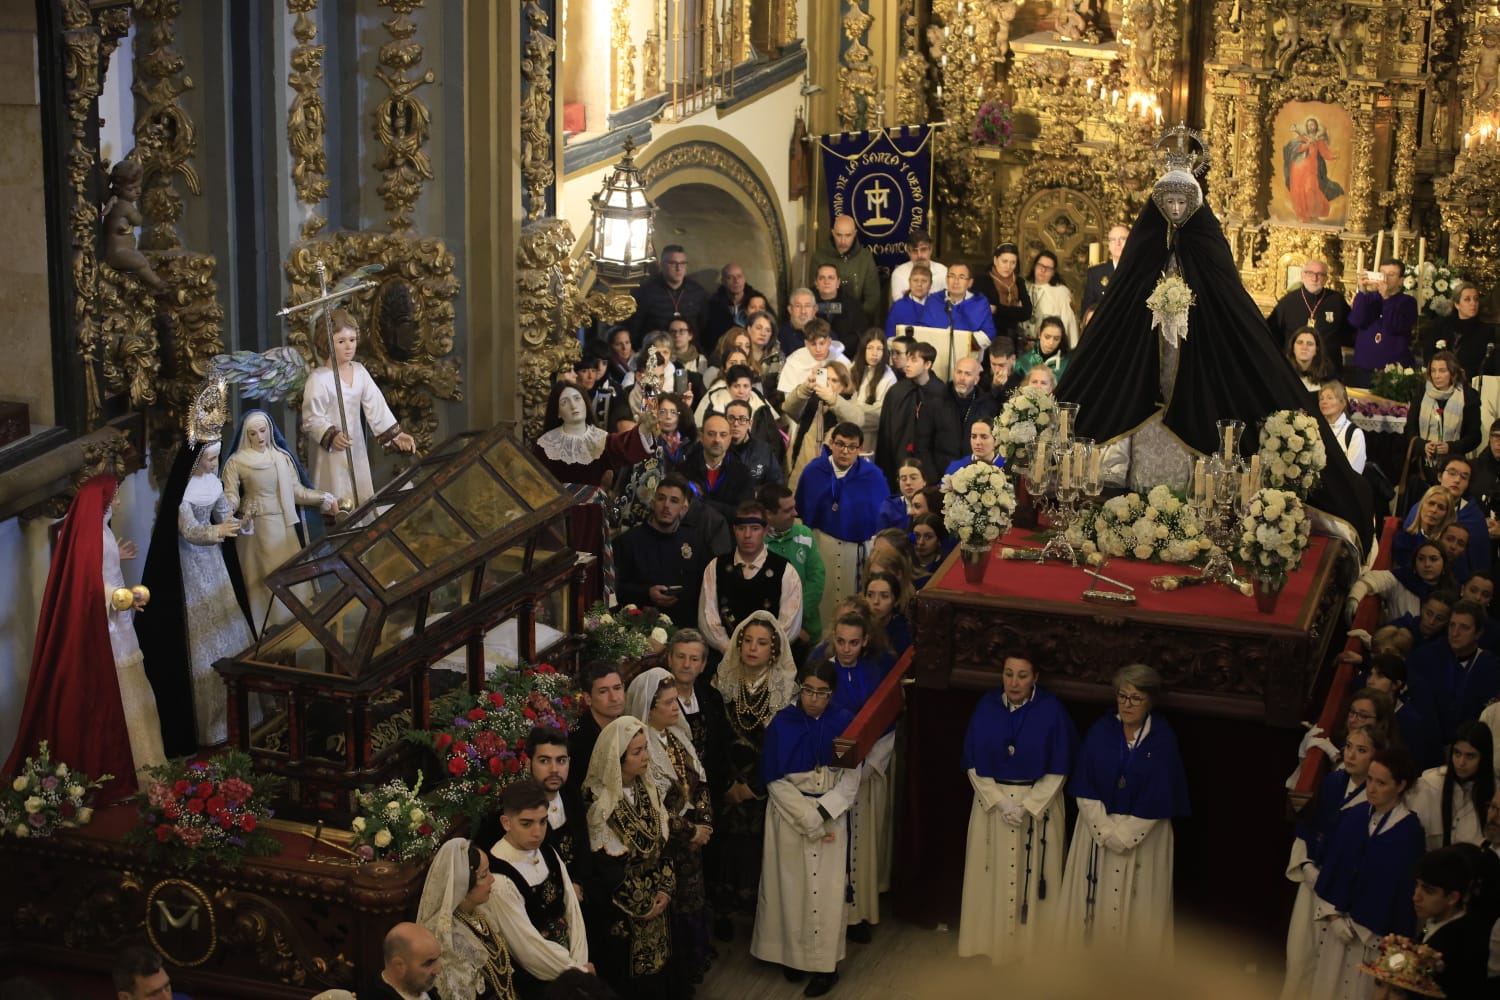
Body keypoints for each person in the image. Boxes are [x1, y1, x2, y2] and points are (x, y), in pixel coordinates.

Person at [1055, 159, 1374, 551]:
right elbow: (1117, 319)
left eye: (1182, 201)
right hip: (1146, 378)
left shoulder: (1207, 251)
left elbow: (1230, 313)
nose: (1174, 210)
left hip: (1199, 370)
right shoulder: (1142, 257)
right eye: (1167, 202)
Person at [5, 475, 166, 798]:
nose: (119, 501)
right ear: (104, 502)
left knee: (135, 691)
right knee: (125, 692)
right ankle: (136, 768)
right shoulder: (94, 534)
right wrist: (126, 596)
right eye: (115, 496)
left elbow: (97, 569)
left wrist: (115, 559)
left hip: (118, 623)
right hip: (110, 628)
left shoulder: (99, 531)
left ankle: (146, 764)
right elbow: (92, 585)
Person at [1057, 663, 1190, 956]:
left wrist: (1125, 836)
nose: (1127, 704)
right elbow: (1085, 786)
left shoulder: (1163, 740)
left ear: (1150, 701)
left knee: (1140, 912)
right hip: (1097, 834)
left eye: (1136, 698)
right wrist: (1105, 831)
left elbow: (1161, 793)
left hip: (1144, 838)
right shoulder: (1100, 732)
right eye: (1122, 696)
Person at [750, 659, 861, 998]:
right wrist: (807, 817)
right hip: (789, 815)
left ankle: (826, 966)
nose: (814, 698)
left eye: (822, 693)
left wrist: (823, 812)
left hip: (830, 814)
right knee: (790, 888)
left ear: (832, 694)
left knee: (827, 894)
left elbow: (851, 778)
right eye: (809, 690)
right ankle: (793, 958)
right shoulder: (782, 723)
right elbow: (774, 779)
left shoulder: (844, 723)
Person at [959, 652, 1077, 965]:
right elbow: (972, 762)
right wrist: (1000, 802)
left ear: (1035, 677)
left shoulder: (1052, 711)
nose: (1014, 682)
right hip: (993, 806)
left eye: (1022, 676)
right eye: (1008, 674)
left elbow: (1059, 769)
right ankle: (992, 948)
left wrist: (1026, 807)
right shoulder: (987, 707)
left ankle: (1032, 956)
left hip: (1039, 808)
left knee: (1038, 882)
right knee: (990, 879)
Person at [136, 439, 253, 755]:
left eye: (217, 458)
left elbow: (224, 514)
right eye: (210, 459)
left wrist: (240, 521)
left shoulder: (212, 483)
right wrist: (217, 533)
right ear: (197, 459)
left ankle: (239, 716)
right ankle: (210, 725)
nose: (215, 464)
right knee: (202, 634)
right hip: (190, 567)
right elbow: (189, 531)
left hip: (215, 563)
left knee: (229, 625)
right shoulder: (183, 492)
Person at [1279, 724, 1386, 1000]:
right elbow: (1306, 828)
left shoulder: (1376, 799)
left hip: (1340, 895)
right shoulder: (1334, 781)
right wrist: (1305, 866)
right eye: (1348, 746)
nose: (1350, 755)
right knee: (1299, 955)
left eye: (1361, 750)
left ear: (1376, 756)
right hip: (1312, 881)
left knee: (1328, 970)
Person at [1309, 747, 1426, 999]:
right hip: (1338, 930)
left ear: (1400, 785)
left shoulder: (1409, 833)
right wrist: (1334, 918)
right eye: (1370, 779)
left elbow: (1402, 893)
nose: (1371, 788)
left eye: (1381, 782)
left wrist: (1368, 927)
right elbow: (1332, 871)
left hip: (1374, 938)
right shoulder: (1353, 816)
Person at [709, 612, 799, 936]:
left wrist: (753, 787)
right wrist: (726, 783)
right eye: (747, 641)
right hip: (726, 783)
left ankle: (759, 917)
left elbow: (785, 748)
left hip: (763, 784)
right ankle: (722, 914)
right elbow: (713, 740)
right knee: (724, 847)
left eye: (761, 643)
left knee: (756, 849)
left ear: (773, 650)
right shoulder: (723, 684)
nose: (752, 648)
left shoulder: (785, 691)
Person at [625, 669, 714, 990]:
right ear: (649, 709)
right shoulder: (640, 746)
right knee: (672, 913)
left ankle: (693, 966)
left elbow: (700, 782)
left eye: (676, 700)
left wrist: (704, 823)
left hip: (692, 841)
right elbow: (654, 806)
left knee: (694, 904)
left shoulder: (678, 735)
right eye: (668, 702)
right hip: (666, 846)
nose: (676, 707)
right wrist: (689, 832)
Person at [582, 716, 676, 999]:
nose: (646, 756)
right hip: (622, 914)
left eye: (645, 748)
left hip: (657, 904)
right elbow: (607, 869)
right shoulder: (598, 803)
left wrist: (665, 890)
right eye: (637, 752)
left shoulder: (645, 788)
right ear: (616, 759)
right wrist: (645, 904)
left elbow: (663, 844)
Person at [221, 410, 338, 633]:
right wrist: (228, 506)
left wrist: (323, 497)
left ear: (270, 430)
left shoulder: (280, 458)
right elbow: (232, 494)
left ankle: (291, 631)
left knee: (286, 579)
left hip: (282, 528)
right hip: (254, 531)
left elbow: (297, 492)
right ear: (247, 435)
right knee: (259, 584)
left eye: (263, 431)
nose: (259, 437)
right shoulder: (236, 462)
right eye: (253, 433)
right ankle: (262, 634)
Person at [820, 611, 893, 943]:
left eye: (853, 642)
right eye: (840, 641)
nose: (846, 649)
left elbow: (886, 724)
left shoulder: (874, 673)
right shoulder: (822, 673)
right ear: (833, 638)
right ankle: (832, 914)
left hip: (864, 778)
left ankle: (858, 914)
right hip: (831, 778)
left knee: (859, 847)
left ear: (864, 643)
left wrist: (864, 769)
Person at [487, 780, 594, 998]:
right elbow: (526, 946)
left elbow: (572, 909)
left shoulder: (548, 851)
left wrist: (580, 960)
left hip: (573, 966)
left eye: (543, 822)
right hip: (540, 982)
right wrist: (576, 972)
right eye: (527, 824)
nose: (538, 832)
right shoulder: (500, 877)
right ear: (506, 822)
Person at [300, 308, 416, 507]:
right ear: (328, 342)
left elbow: (376, 405)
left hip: (355, 445)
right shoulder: (319, 379)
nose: (348, 347)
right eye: (341, 341)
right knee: (336, 493)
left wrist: (396, 435)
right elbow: (311, 418)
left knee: (360, 492)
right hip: (331, 451)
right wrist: (331, 435)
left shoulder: (360, 372)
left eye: (352, 340)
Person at [794, 422, 890, 632]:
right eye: (840, 444)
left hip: (856, 552)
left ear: (860, 449)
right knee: (824, 603)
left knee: (853, 606)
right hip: (822, 546)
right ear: (831, 444)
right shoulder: (814, 471)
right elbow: (802, 509)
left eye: (852, 446)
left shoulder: (872, 476)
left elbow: (881, 516)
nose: (845, 451)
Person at [418, 838, 519, 1000]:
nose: (492, 879)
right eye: (484, 875)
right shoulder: (447, 936)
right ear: (462, 887)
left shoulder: (480, 912)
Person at [699, 501, 802, 653]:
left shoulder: (785, 570)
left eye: (754, 529)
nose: (747, 535)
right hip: (725, 657)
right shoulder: (716, 567)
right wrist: (730, 650)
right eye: (741, 528)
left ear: (765, 530)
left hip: (770, 660)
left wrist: (761, 651)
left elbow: (789, 625)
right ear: (734, 530)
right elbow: (708, 617)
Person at [614, 475, 716, 623]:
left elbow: (709, 587)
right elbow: (615, 588)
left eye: (674, 501)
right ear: (653, 503)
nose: (666, 505)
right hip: (640, 629)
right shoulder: (628, 541)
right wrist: (647, 593)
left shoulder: (695, 542)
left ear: (683, 509)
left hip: (685, 628)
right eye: (661, 498)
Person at [874, 343, 963, 492]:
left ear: (927, 364)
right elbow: (886, 434)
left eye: (914, 360)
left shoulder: (942, 394)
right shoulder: (897, 391)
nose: (907, 364)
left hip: (931, 471)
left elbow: (947, 439)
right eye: (907, 359)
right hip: (898, 466)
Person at [1410, 599, 1500, 739]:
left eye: (1464, 627)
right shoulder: (1425, 657)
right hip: (1429, 740)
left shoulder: (1491, 667)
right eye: (1452, 625)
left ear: (1478, 633)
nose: (1455, 633)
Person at [1413, 846, 1492, 999]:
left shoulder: (1464, 941)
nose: (1416, 897)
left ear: (1452, 898)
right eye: (1417, 885)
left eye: (1428, 891)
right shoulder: (1436, 921)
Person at [1405, 351, 1481, 493]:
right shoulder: (1422, 392)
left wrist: (1451, 447)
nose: (1436, 376)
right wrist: (1423, 445)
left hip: (1453, 468)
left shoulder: (1468, 396)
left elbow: (1475, 436)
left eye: (1442, 371)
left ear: (1453, 373)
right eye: (1433, 371)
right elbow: (1409, 429)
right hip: (1423, 469)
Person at [760, 483, 826, 646]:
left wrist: (797, 621)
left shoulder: (804, 534)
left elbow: (817, 578)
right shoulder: (756, 543)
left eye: (794, 507)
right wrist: (786, 629)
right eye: (788, 510)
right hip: (769, 636)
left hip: (808, 632)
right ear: (768, 514)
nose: (795, 513)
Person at [1411, 721, 1495, 849]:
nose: (1461, 762)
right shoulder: (1429, 784)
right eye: (1457, 753)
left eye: (1470, 756)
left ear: (1484, 758)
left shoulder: (1495, 792)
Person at [783, 359, 861, 489]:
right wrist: (805, 389)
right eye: (826, 378)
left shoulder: (848, 403)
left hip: (832, 476)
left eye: (834, 381)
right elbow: (789, 409)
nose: (829, 383)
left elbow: (856, 420)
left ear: (844, 385)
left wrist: (833, 400)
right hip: (802, 468)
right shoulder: (812, 399)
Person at [1269, 258, 1352, 362]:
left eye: (1320, 274)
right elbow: (1273, 334)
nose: (1314, 278)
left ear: (1326, 279)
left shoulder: (1336, 300)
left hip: (1328, 368)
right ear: (1302, 276)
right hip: (1295, 368)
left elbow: (1350, 331)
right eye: (1310, 273)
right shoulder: (1288, 302)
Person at [1352, 259, 1419, 382]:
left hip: (1393, 370)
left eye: (1391, 274)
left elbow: (1395, 326)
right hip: (1365, 366)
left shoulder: (1408, 302)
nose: (1385, 278)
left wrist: (1386, 298)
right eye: (1382, 273)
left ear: (1401, 280)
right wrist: (1362, 290)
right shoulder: (1368, 297)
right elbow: (1357, 320)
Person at [565, 662, 626, 796]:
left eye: (617, 688)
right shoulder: (580, 739)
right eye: (603, 691)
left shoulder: (626, 725)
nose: (614, 698)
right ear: (588, 699)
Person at [678, 414, 753, 521]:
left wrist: (702, 500)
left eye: (723, 435)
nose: (717, 440)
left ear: (730, 438)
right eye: (711, 434)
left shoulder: (742, 473)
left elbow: (743, 514)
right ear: (701, 437)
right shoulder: (684, 470)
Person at [630, 244, 709, 342]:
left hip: (688, 351)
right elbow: (635, 327)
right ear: (661, 265)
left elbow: (704, 326)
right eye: (672, 263)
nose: (678, 268)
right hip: (655, 349)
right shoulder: (645, 292)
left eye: (682, 263)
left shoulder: (697, 292)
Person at [810, 214, 881, 321]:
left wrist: (855, 316)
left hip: (857, 320)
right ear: (833, 232)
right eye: (839, 235)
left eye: (848, 235)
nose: (843, 241)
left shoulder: (865, 258)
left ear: (855, 234)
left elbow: (872, 299)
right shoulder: (819, 257)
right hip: (824, 319)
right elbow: (814, 294)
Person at [919, 262, 997, 351]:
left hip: (967, 357)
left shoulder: (980, 303)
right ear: (946, 279)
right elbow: (923, 331)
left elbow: (989, 334)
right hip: (936, 355)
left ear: (970, 283)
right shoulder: (934, 300)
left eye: (961, 277)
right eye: (952, 276)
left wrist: (961, 344)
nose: (956, 281)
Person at [971, 243, 1034, 347]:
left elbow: (1026, 312)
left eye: (1013, 262)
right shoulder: (982, 281)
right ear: (995, 260)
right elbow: (982, 312)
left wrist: (997, 309)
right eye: (1004, 261)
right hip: (987, 337)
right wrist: (1014, 310)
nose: (1008, 267)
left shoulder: (1019, 282)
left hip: (1011, 338)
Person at [1283, 117, 1343, 223]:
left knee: (1310, 190)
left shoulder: (1319, 140)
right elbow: (1296, 149)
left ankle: (1312, 213)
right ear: (1306, 127)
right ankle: (1302, 215)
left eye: (1313, 125)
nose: (1311, 127)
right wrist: (1307, 144)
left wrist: (1334, 156)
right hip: (1298, 169)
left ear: (1316, 126)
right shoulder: (1301, 138)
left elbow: (1325, 153)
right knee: (1299, 191)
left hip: (1311, 169)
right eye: (1309, 125)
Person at [845, 330, 898, 444]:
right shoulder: (853, 367)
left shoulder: (888, 377)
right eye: (870, 348)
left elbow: (881, 412)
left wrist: (852, 409)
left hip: (870, 433)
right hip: (847, 428)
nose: (874, 353)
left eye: (879, 349)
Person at [701, 262, 764, 355]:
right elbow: (706, 335)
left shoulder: (757, 300)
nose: (736, 281)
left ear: (744, 279)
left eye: (739, 276)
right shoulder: (713, 305)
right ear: (723, 281)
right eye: (730, 277)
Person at [1436, 281, 1495, 379]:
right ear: (1457, 304)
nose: (1473, 303)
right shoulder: (1442, 326)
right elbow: (1429, 355)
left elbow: (1487, 365)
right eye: (1467, 299)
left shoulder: (1486, 331)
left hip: (1470, 383)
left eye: (1476, 299)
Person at [369, 922, 444, 1000]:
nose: (438, 970)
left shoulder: (421, 987)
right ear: (399, 966)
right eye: (428, 963)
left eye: (437, 959)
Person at [1022, 251, 1080, 350]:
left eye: (1048, 268)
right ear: (1034, 266)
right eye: (1040, 265)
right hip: (1023, 345)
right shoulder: (1023, 287)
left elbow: (1069, 323)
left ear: (1053, 273)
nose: (1043, 270)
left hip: (1049, 347)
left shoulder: (1061, 292)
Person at [778, 319, 850, 397]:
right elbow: (789, 400)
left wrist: (821, 374)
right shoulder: (795, 361)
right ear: (806, 344)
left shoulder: (842, 362)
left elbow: (849, 395)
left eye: (822, 343)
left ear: (829, 342)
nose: (818, 349)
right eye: (813, 344)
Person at [723, 398, 781, 492]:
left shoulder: (763, 450)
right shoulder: (717, 448)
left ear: (749, 423)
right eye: (731, 418)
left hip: (755, 503)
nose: (736, 424)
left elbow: (776, 483)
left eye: (742, 419)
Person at [811, 262, 868, 344]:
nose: (826, 281)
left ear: (838, 282)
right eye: (822, 278)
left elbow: (860, 334)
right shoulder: (807, 304)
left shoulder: (852, 305)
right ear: (816, 283)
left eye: (831, 278)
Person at [863, 571, 912, 663]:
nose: (875, 602)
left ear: (896, 601)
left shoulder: (904, 634)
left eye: (884, 596)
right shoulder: (857, 623)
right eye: (870, 595)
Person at [888, 228, 947, 304]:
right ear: (909, 252)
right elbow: (901, 307)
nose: (919, 255)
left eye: (923, 249)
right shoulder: (899, 274)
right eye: (914, 251)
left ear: (931, 250)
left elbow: (949, 304)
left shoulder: (943, 271)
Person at [1320, 381, 1368, 475]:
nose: (1324, 402)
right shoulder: (1316, 429)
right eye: (1321, 399)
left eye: (1330, 398)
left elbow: (1354, 473)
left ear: (1343, 403)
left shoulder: (1355, 434)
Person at [1083, 225, 1130, 316]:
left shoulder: (1140, 272)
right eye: (1113, 239)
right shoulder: (1095, 273)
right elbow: (1087, 310)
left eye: (1123, 239)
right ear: (1108, 245)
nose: (1118, 243)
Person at [948, 356, 998, 434]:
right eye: (959, 372)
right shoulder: (939, 399)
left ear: (976, 380)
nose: (962, 378)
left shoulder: (987, 405)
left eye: (967, 374)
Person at [877, 458, 928, 532]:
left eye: (913, 478)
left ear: (924, 481)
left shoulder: (933, 504)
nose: (908, 482)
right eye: (903, 479)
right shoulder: (889, 507)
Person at [1014, 316, 1072, 381]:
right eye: (1047, 337)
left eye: (1056, 339)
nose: (1051, 343)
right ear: (1039, 334)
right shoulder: (1023, 362)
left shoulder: (1067, 363)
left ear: (1061, 339)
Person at [885, 264, 934, 340]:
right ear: (909, 282)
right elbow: (890, 336)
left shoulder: (936, 307)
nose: (919, 284)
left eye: (924, 281)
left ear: (930, 284)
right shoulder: (898, 307)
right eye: (915, 280)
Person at [1286, 326, 1337, 393]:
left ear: (1317, 350)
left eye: (1310, 344)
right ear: (1293, 348)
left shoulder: (1327, 375)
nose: (1304, 347)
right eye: (1300, 342)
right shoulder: (1283, 371)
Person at [909, 513, 948, 589]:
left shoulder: (945, 567)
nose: (920, 542)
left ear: (939, 541)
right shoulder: (905, 564)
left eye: (928, 537)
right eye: (917, 535)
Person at [778, 288, 820, 359]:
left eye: (807, 306)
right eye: (798, 306)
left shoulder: (826, 333)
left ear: (815, 309)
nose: (803, 311)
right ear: (790, 309)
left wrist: (819, 370)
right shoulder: (780, 336)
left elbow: (832, 366)